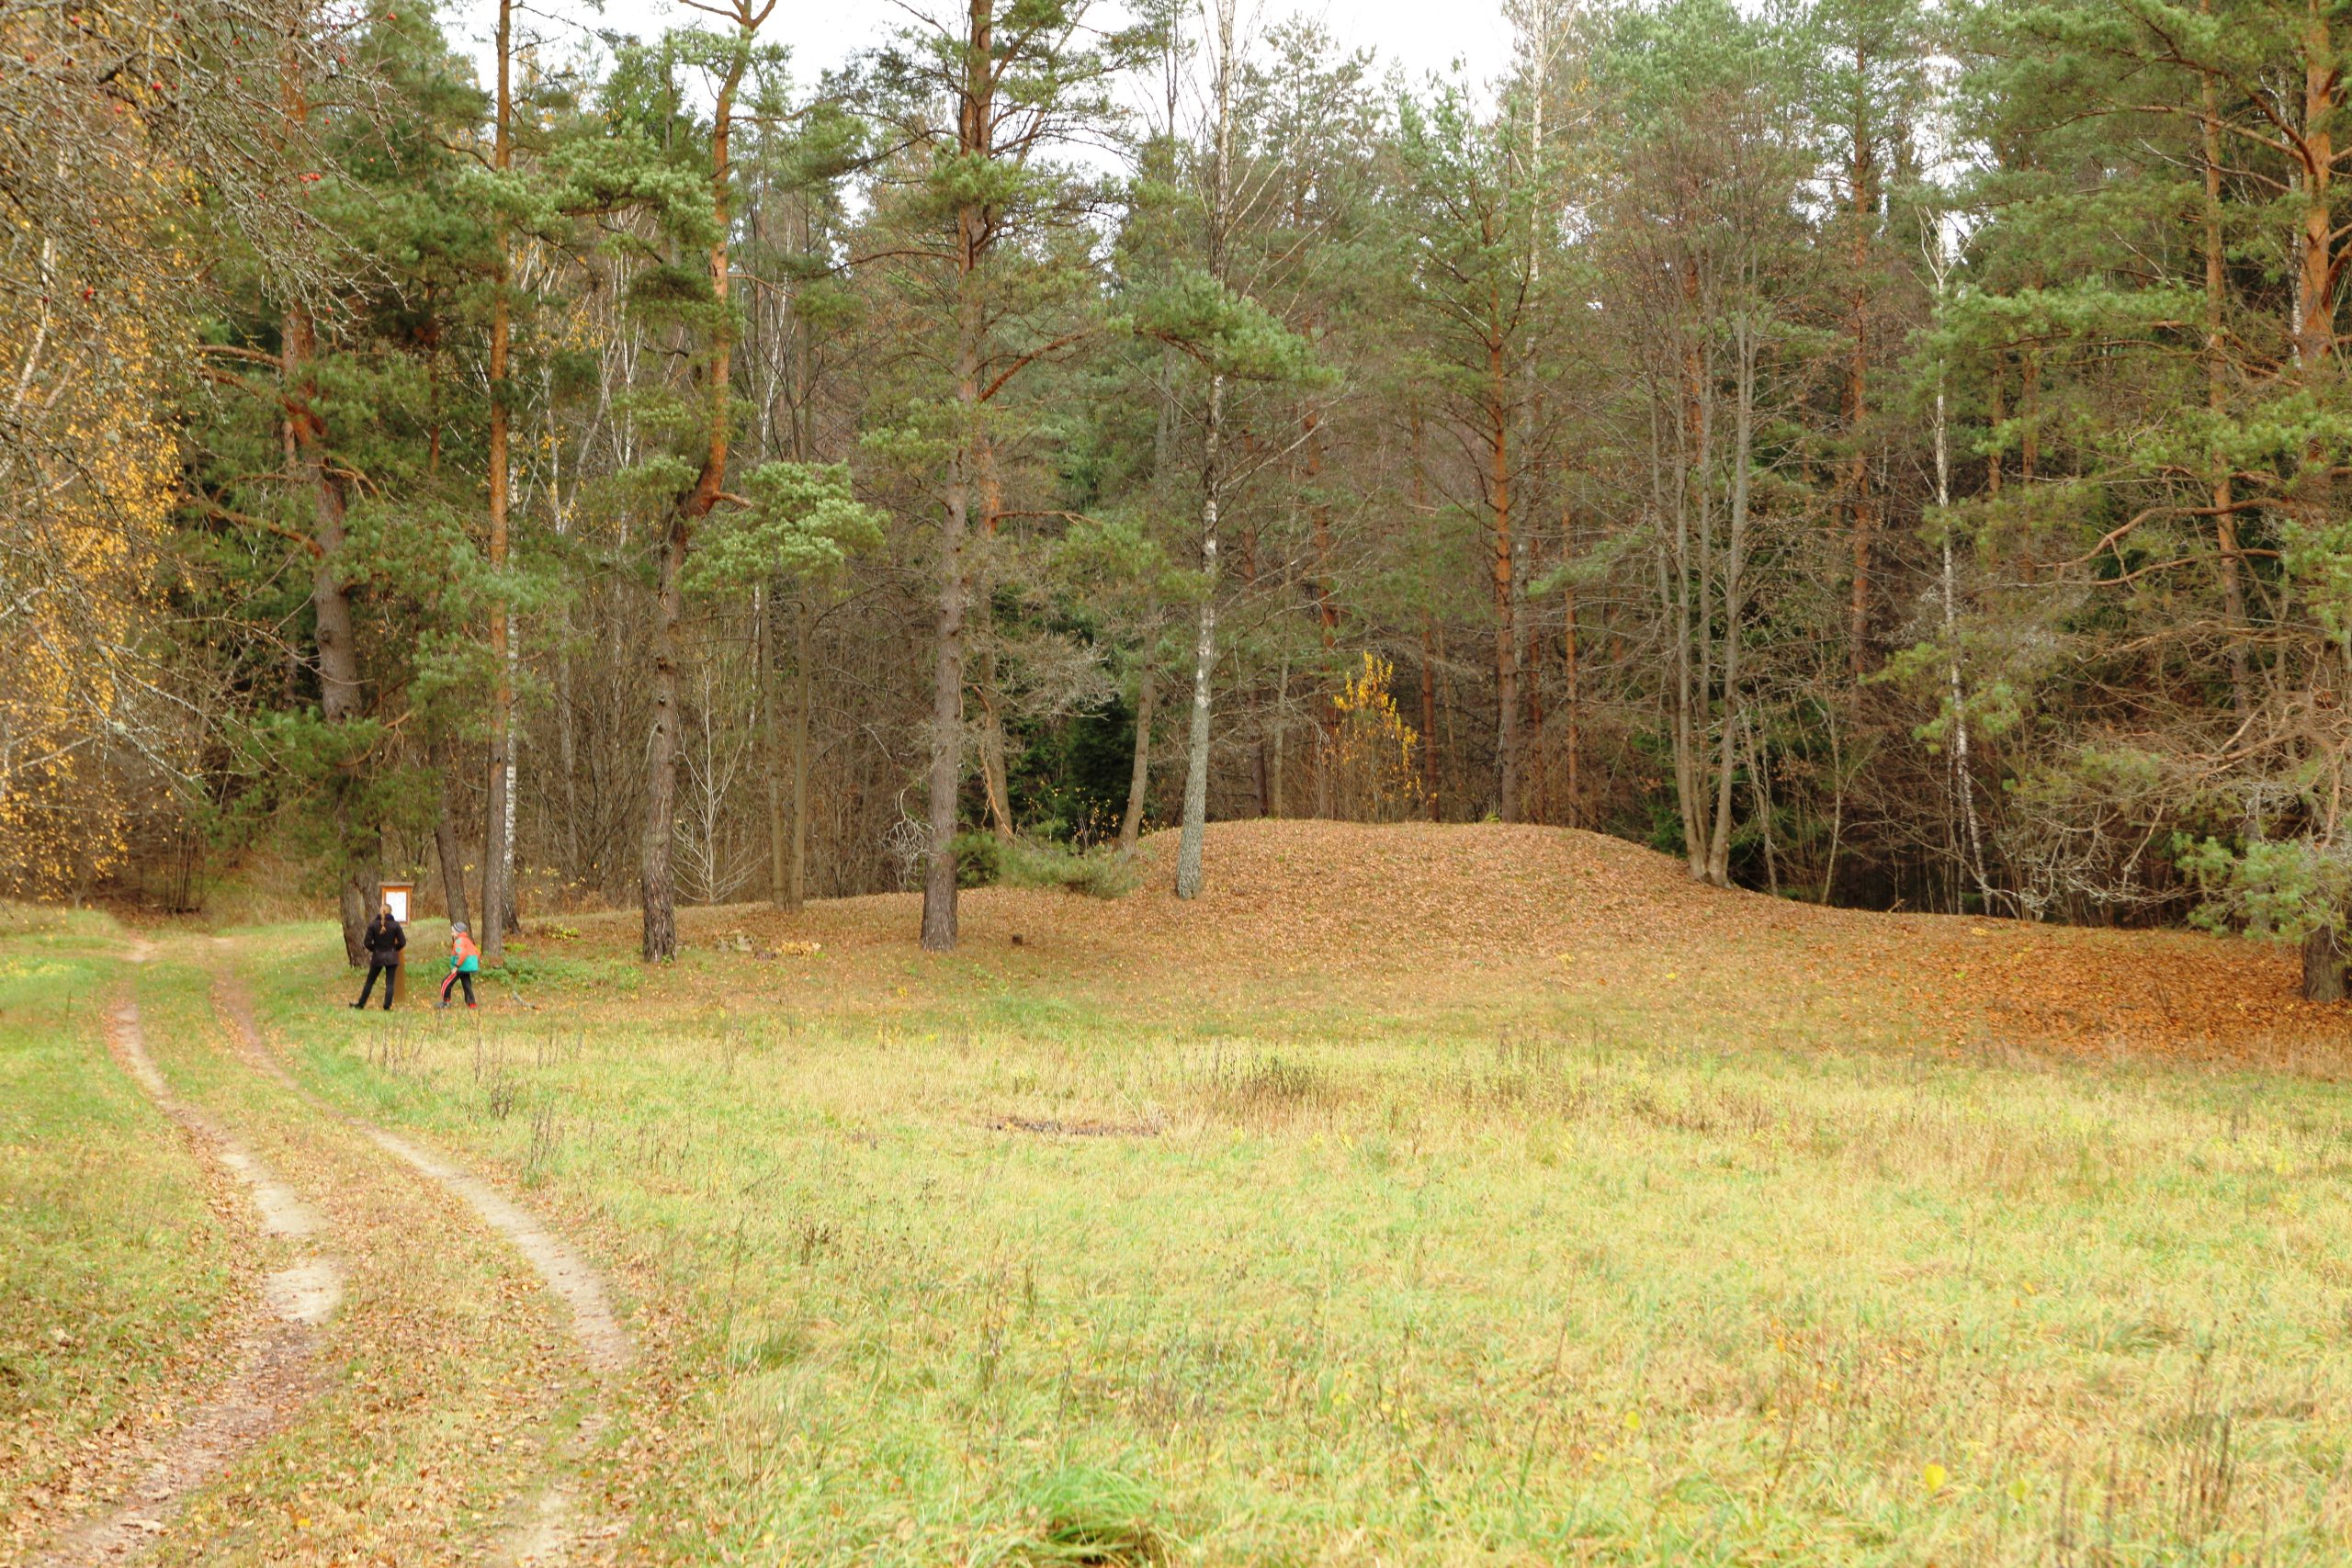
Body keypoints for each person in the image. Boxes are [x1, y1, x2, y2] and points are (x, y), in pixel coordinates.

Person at [352, 901, 405, 1010]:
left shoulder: (373, 925)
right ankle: (387, 1005)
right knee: (390, 982)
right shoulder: (395, 925)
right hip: (392, 956)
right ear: (390, 912)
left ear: (380, 911)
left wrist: (375, 949)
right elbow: (402, 942)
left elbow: (367, 943)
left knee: (370, 981)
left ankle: (361, 1003)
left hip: (378, 956)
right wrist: (394, 949)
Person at [437, 920, 481, 1010]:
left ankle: (446, 1002)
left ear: (458, 932)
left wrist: (456, 966)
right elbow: (477, 952)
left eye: (453, 931)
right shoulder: (467, 940)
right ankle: (472, 1004)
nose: (452, 933)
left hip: (461, 967)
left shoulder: (458, 942)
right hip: (467, 968)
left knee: (446, 982)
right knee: (466, 984)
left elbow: (463, 954)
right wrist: (472, 962)